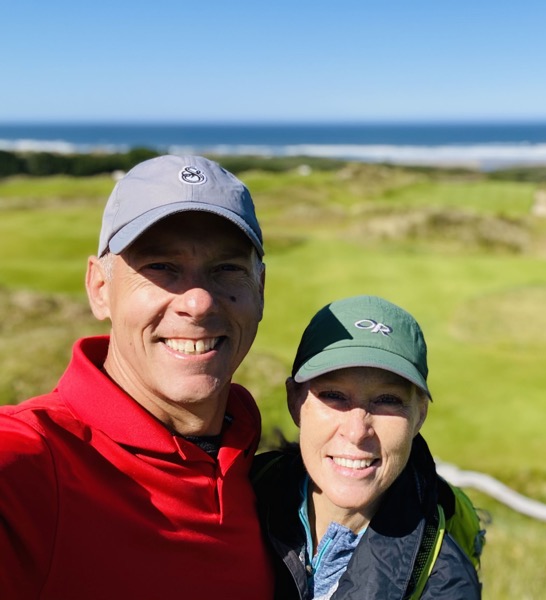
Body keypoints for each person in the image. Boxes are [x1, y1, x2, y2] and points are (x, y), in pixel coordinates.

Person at [0, 155, 274, 599]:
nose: (199, 302)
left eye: (226, 269)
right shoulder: (33, 463)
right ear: (100, 289)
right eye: (161, 267)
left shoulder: (266, 478)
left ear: (260, 290)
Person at [251, 295, 481, 599]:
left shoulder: (446, 583)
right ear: (295, 401)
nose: (357, 431)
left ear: (419, 415)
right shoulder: (240, 495)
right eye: (334, 395)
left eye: (388, 400)